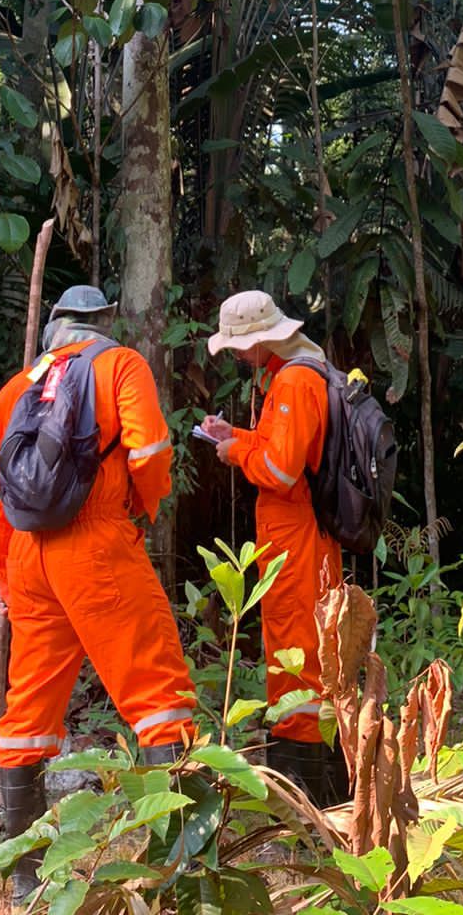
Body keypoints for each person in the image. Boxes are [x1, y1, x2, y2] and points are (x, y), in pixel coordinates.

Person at [0, 284, 195, 901]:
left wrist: (1, 572)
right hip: (97, 543)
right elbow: (151, 449)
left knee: (26, 716)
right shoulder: (120, 364)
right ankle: (176, 869)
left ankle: (31, 885)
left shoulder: (13, 391)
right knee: (158, 695)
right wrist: (142, 506)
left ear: (53, 327)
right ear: (103, 322)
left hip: (27, 560)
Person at [200, 289, 346, 806]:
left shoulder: (294, 381)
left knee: (297, 653)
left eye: (239, 347)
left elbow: (281, 472)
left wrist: (234, 450)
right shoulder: (301, 372)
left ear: (262, 340)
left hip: (296, 534)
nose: (237, 356)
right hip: (301, 531)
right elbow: (287, 449)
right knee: (307, 646)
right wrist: (235, 433)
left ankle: (308, 793)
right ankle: (321, 783)